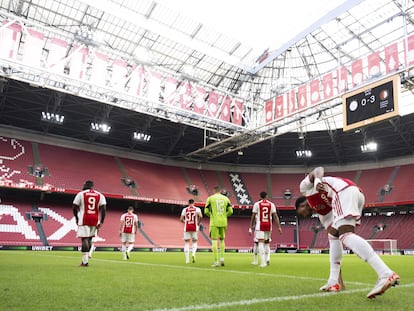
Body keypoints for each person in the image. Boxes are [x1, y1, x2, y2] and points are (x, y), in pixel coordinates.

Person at [296, 167, 400, 299]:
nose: (304, 217)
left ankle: (385, 273)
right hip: (355, 195)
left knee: (346, 236)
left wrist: (317, 181)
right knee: (334, 236)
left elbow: (318, 169)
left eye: (301, 214)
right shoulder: (323, 214)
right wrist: (339, 279)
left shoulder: (305, 188)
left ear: (300, 206)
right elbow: (335, 241)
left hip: (344, 191)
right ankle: (333, 282)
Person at [73, 180, 106, 267]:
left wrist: (77, 218)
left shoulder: (81, 194)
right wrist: (101, 221)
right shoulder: (100, 195)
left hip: (84, 218)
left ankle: (85, 262)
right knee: (90, 239)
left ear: (85, 185)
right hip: (95, 219)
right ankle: (86, 259)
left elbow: (74, 207)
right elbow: (103, 209)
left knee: (84, 239)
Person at [249, 191, 282, 267]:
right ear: (267, 196)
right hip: (268, 225)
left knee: (260, 243)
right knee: (267, 243)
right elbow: (275, 216)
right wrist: (279, 227)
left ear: (260, 196)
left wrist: (250, 227)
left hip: (260, 225)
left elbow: (253, 216)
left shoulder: (257, 204)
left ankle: (263, 262)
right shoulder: (271, 204)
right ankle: (268, 258)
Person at [204, 185, 233, 267]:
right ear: (220, 191)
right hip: (223, 221)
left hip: (214, 222)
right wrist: (224, 215)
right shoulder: (226, 199)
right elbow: (231, 211)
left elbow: (206, 211)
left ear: (214, 190)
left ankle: (216, 262)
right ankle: (222, 259)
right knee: (222, 240)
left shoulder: (210, 198)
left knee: (214, 240)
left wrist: (212, 216)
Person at [180, 199, 203, 264]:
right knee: (194, 242)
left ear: (188, 203)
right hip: (194, 227)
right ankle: (193, 254)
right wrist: (198, 222)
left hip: (187, 227)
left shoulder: (185, 209)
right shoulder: (197, 209)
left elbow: (181, 219)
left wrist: (185, 222)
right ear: (193, 203)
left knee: (187, 243)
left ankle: (187, 260)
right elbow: (201, 216)